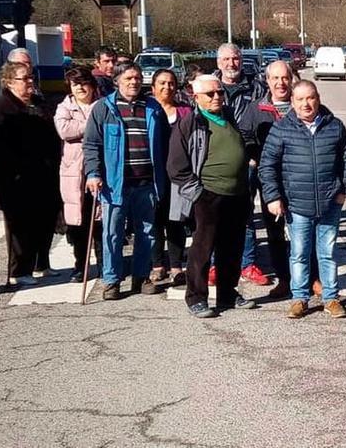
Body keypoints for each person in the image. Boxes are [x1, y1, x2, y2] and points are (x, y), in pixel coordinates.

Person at [260, 80, 346, 319]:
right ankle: (299, 298)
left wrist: (344, 188)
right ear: (292, 102)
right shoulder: (282, 128)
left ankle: (331, 298)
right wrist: (273, 196)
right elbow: (267, 165)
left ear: (318, 98)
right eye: (300, 99)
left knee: (327, 253)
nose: (306, 103)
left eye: (310, 98)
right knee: (299, 253)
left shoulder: (334, 126)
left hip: (329, 203)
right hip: (297, 205)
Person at [168, 74, 258, 318]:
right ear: (196, 97)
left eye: (219, 92)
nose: (217, 97)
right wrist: (198, 194)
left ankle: (228, 292)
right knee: (203, 249)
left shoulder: (228, 116)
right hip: (208, 195)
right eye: (210, 94)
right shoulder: (189, 123)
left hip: (237, 194)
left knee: (232, 247)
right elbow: (176, 167)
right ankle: (196, 297)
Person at [84, 62, 168, 300]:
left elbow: (164, 142)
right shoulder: (104, 109)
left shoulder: (153, 108)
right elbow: (91, 144)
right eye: (129, 78)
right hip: (115, 185)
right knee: (112, 234)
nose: (134, 82)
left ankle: (141, 277)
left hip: (146, 183)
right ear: (117, 81)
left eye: (137, 78)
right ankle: (112, 281)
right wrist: (93, 173)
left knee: (146, 232)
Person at [0, 61, 62, 290]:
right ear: (9, 82)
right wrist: (14, 166)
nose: (30, 82)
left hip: (43, 176)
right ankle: (19, 270)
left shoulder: (38, 104)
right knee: (20, 227)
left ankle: (41, 264)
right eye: (24, 78)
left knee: (43, 221)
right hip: (17, 181)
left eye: (31, 77)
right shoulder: (2, 108)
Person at [213, 43, 268, 286]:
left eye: (235, 59)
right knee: (216, 214)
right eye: (226, 59)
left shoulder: (256, 88)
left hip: (249, 160)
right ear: (218, 63)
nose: (231, 64)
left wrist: (254, 153)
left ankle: (247, 264)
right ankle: (215, 264)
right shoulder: (209, 87)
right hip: (216, 160)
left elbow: (265, 119)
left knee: (245, 213)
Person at [239, 61, 296, 297]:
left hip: (300, 178)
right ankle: (284, 279)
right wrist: (253, 155)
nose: (280, 83)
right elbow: (244, 134)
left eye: (285, 78)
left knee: (304, 231)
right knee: (275, 231)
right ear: (267, 80)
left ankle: (311, 278)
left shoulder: (302, 104)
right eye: (275, 78)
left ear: (291, 79)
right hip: (269, 180)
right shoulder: (256, 109)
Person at [54, 67, 102, 282]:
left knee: (101, 220)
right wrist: (91, 125)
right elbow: (65, 131)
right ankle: (80, 265)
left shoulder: (103, 105)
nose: (80, 88)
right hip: (74, 172)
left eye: (84, 83)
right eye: (75, 85)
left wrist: (81, 128)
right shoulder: (64, 107)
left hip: (101, 168)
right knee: (78, 222)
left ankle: (104, 263)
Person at [147, 69, 191, 286]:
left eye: (171, 83)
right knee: (155, 221)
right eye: (162, 83)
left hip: (177, 177)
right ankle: (157, 265)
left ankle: (176, 265)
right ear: (153, 87)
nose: (167, 87)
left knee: (175, 221)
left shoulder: (185, 111)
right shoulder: (147, 110)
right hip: (152, 175)